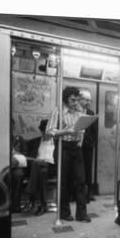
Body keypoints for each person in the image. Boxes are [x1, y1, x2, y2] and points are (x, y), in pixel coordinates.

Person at [47, 86, 91, 223]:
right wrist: (65, 131)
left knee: (81, 181)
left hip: (76, 148)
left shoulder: (79, 112)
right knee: (64, 182)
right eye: (73, 100)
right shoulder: (58, 111)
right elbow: (49, 131)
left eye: (77, 100)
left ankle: (81, 214)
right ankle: (65, 213)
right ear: (66, 99)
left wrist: (80, 139)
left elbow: (81, 129)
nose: (75, 103)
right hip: (63, 147)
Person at [25, 120, 55, 216]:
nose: (46, 134)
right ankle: (43, 205)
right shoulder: (34, 142)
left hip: (51, 166)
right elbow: (28, 158)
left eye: (49, 132)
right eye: (44, 131)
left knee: (41, 168)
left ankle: (31, 198)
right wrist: (37, 161)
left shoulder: (57, 143)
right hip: (38, 168)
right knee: (39, 168)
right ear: (41, 131)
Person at [79, 89, 98, 202]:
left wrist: (92, 142)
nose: (88, 102)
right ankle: (76, 193)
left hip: (87, 145)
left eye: (89, 100)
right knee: (77, 170)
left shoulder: (90, 113)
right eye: (86, 100)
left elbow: (94, 130)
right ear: (80, 99)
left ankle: (88, 193)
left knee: (88, 169)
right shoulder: (75, 111)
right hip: (76, 145)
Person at [10, 136, 29, 213]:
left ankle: (15, 206)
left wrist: (17, 153)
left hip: (16, 166)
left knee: (18, 175)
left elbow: (25, 153)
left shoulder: (19, 138)